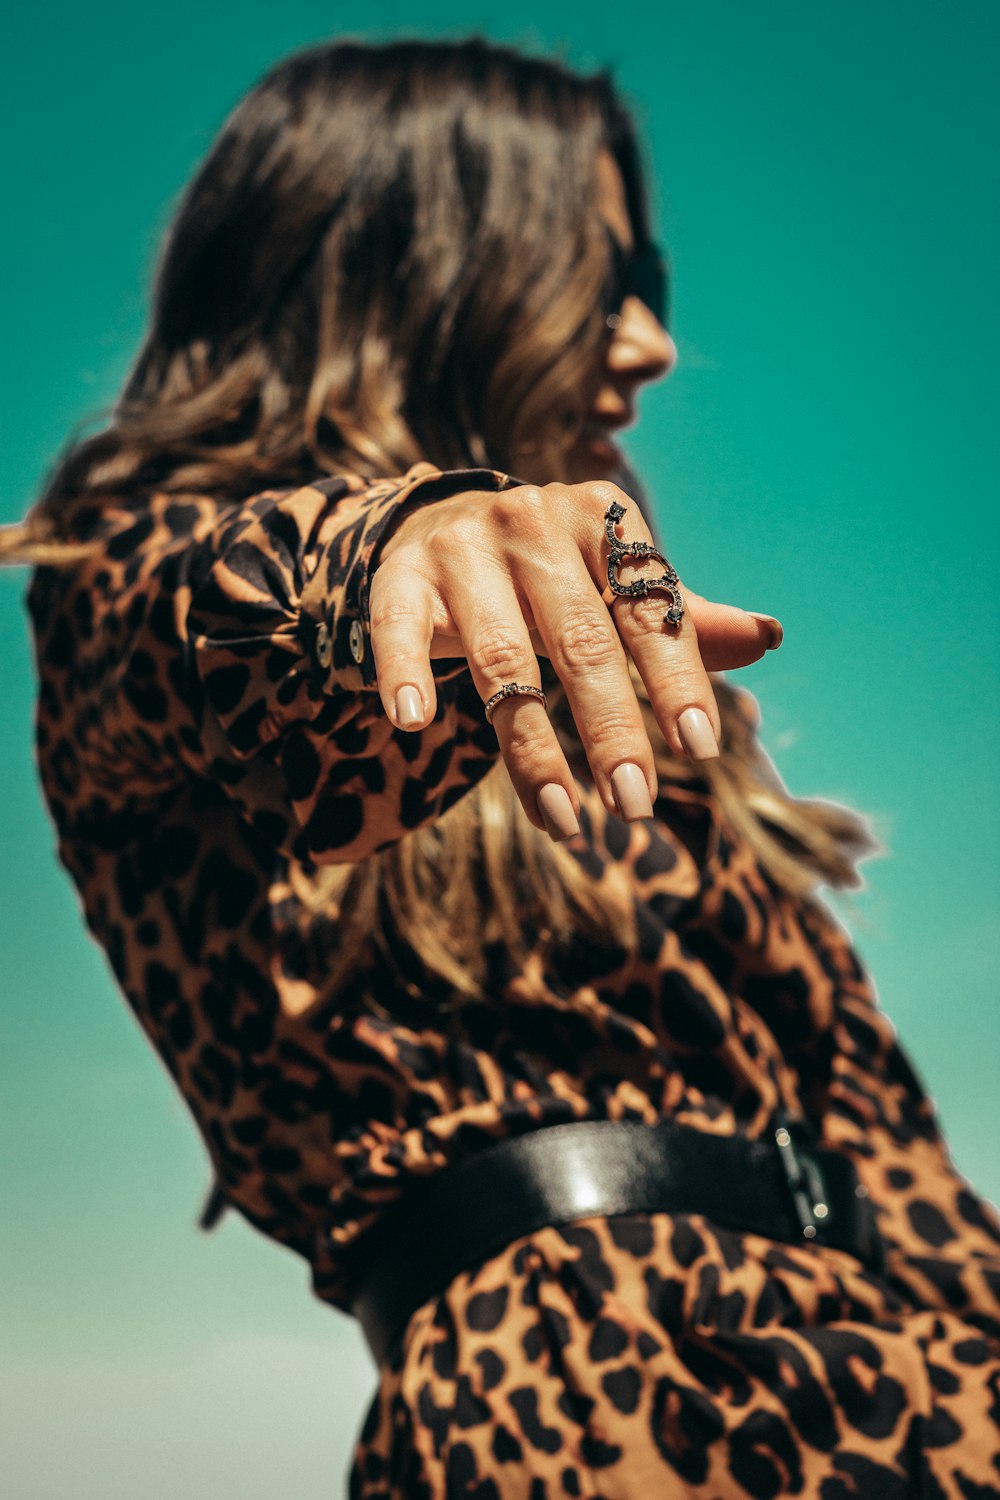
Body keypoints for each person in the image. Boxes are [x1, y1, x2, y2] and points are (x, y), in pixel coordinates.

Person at [3, 35, 999, 1499]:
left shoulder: (629, 688)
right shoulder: (129, 588)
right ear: (423, 273)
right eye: (606, 281)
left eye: (649, 285)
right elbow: (219, 616)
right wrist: (404, 546)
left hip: (922, 1385)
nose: (654, 343)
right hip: (614, 1414)